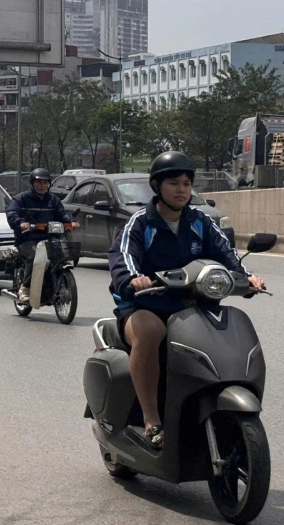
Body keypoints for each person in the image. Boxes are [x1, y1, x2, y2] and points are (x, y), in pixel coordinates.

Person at [108, 152, 265, 450]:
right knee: (150, 331)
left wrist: (247, 279)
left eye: (187, 183)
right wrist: (132, 279)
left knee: (222, 328)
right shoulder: (141, 223)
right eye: (174, 183)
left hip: (187, 306)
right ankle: (152, 421)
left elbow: (226, 253)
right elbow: (123, 255)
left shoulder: (199, 221)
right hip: (144, 306)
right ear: (156, 186)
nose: (182, 189)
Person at [5, 168, 76, 304]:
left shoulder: (53, 200)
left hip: (48, 238)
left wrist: (70, 222)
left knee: (58, 258)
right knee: (34, 259)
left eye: (45, 182)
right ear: (32, 183)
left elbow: (62, 213)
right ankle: (25, 287)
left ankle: (49, 289)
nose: (42, 185)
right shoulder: (21, 199)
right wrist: (21, 223)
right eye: (39, 182)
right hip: (27, 239)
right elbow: (11, 213)